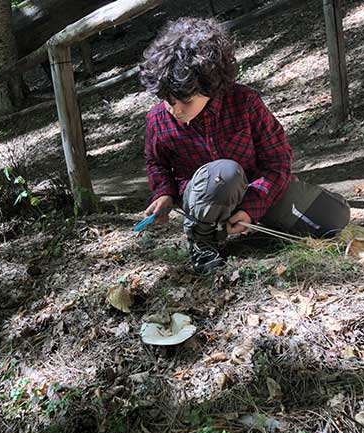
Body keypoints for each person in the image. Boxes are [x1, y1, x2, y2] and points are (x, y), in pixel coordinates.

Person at [139, 17, 350, 275]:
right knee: (223, 175)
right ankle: (203, 241)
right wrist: (163, 193)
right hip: (204, 199)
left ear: (211, 85)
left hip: (257, 189)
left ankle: (262, 226)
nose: (175, 110)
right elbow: (156, 162)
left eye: (184, 100)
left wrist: (250, 209)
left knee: (333, 219)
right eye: (167, 100)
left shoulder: (245, 102)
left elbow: (277, 162)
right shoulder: (158, 120)